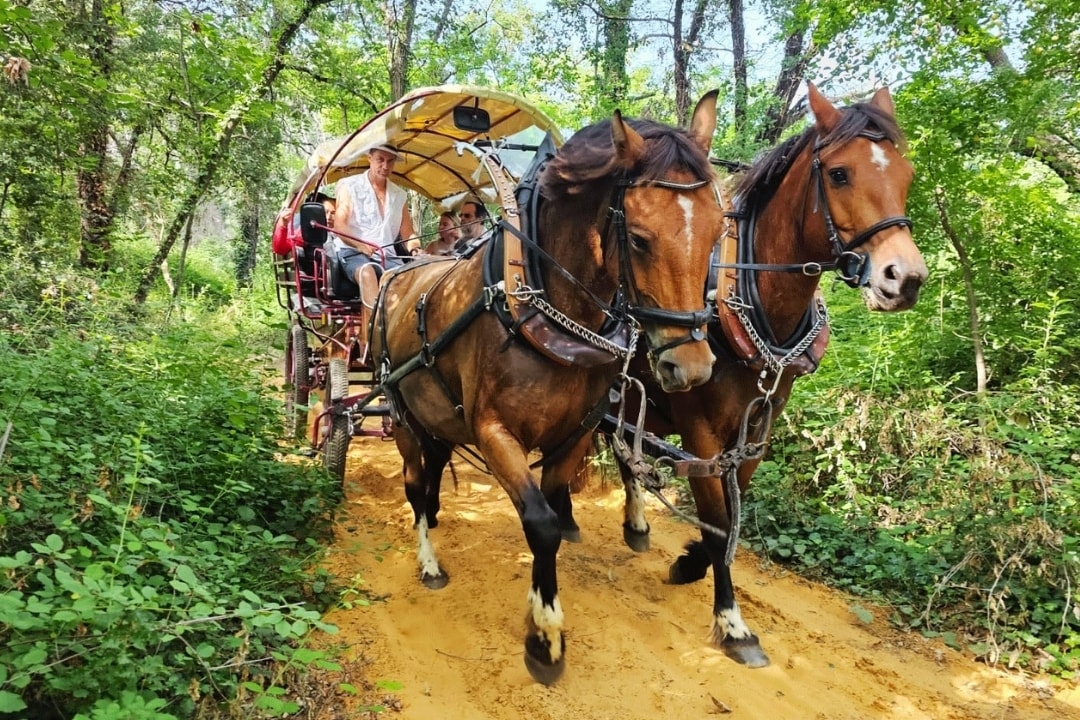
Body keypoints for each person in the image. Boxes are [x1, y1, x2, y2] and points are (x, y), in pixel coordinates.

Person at [331, 144, 420, 301]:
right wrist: (360, 245)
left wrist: (416, 250)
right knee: (368, 272)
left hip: (387, 256)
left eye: (390, 161)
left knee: (411, 278)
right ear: (369, 158)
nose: (385, 166)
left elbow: (408, 233)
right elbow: (339, 225)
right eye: (380, 159)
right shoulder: (349, 185)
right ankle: (376, 322)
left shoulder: (400, 195)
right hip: (353, 252)